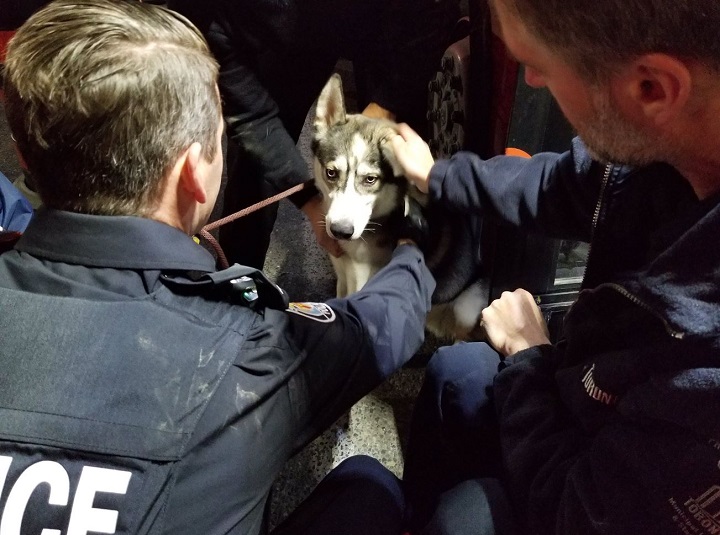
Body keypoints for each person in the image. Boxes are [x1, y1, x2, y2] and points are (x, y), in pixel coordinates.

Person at [0, 1, 436, 533]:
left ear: (21, 155)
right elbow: (388, 321)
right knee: (371, 486)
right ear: (195, 173)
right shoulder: (256, 351)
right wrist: (419, 221)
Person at [389, 0, 720, 533]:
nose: (534, 81)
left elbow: (579, 515)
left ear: (652, 88)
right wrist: (438, 176)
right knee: (459, 372)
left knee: (465, 515)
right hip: (593, 398)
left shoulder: (703, 379)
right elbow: (563, 185)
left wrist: (528, 355)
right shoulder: (678, 134)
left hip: (603, 500)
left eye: (538, 62)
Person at [167, 0, 461, 269]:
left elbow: (434, 15)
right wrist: (309, 198)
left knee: (399, 169)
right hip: (282, 39)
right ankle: (238, 285)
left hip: (389, 24)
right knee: (253, 173)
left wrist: (388, 103)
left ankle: (392, 284)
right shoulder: (208, 13)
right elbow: (253, 117)